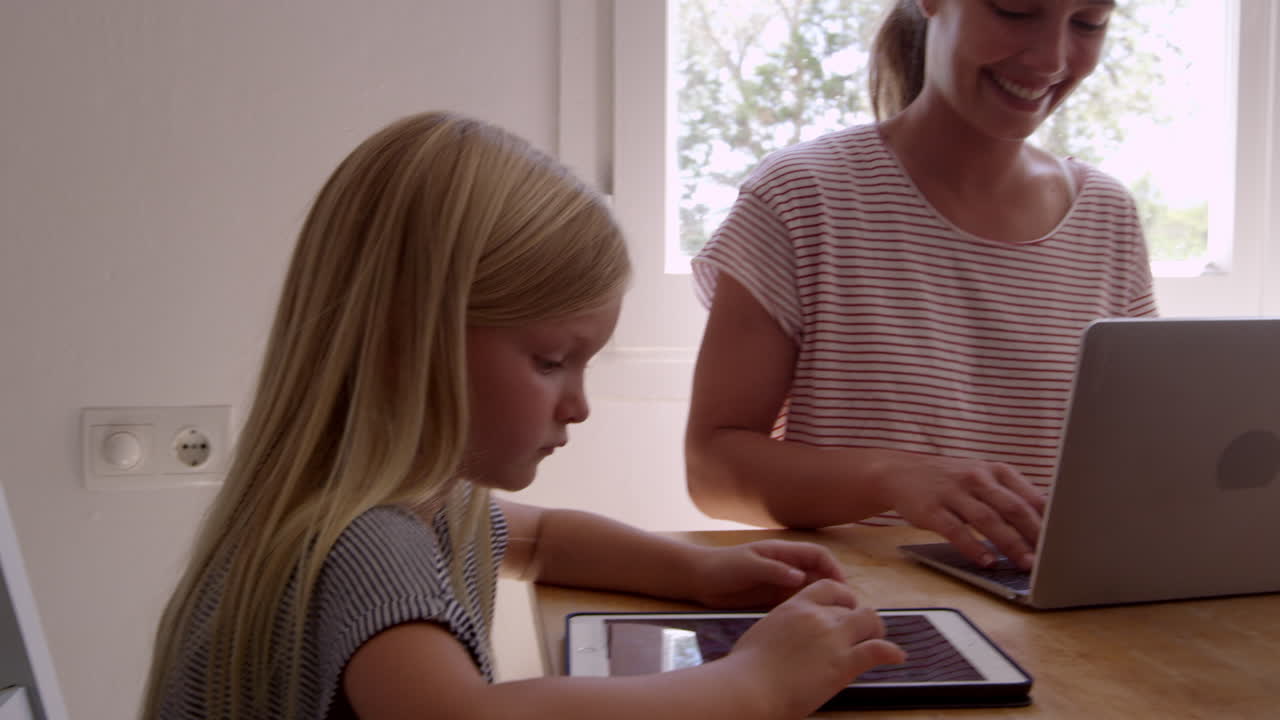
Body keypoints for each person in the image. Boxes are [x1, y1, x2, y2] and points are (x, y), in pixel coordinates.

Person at [139, 111, 904, 720]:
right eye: (550, 361)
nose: (579, 404)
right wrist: (753, 687)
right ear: (412, 343)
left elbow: (540, 540)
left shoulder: (421, 501)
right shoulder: (367, 540)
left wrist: (700, 571)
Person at [685, 0, 1158, 572]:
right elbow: (712, 470)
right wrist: (893, 476)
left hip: (1065, 625)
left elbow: (1134, 464)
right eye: (1016, 11)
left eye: (1088, 23)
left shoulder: (1108, 217)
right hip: (870, 623)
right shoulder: (804, 197)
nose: (1052, 58)